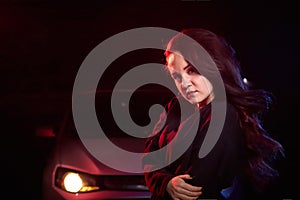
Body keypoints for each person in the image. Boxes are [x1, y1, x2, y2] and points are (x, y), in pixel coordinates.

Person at [142, 28, 285, 200]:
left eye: (192, 70)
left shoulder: (224, 117)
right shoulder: (175, 106)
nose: (185, 83)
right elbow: (150, 157)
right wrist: (166, 183)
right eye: (177, 77)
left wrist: (166, 181)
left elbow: (194, 190)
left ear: (213, 66)